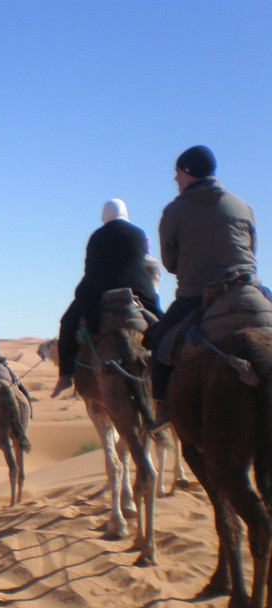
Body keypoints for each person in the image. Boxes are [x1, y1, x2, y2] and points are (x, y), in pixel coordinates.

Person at [149, 145, 257, 429]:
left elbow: (170, 263)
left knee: (160, 344)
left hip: (198, 296)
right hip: (248, 290)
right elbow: (252, 253)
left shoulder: (174, 210)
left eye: (177, 173)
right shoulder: (243, 206)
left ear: (188, 173)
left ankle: (163, 407)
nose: (175, 180)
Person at [52, 199, 163, 397]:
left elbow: (90, 269)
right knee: (163, 323)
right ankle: (167, 376)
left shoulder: (97, 236)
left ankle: (66, 376)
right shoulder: (138, 233)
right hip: (137, 289)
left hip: (100, 290)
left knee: (67, 323)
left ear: (105, 215)